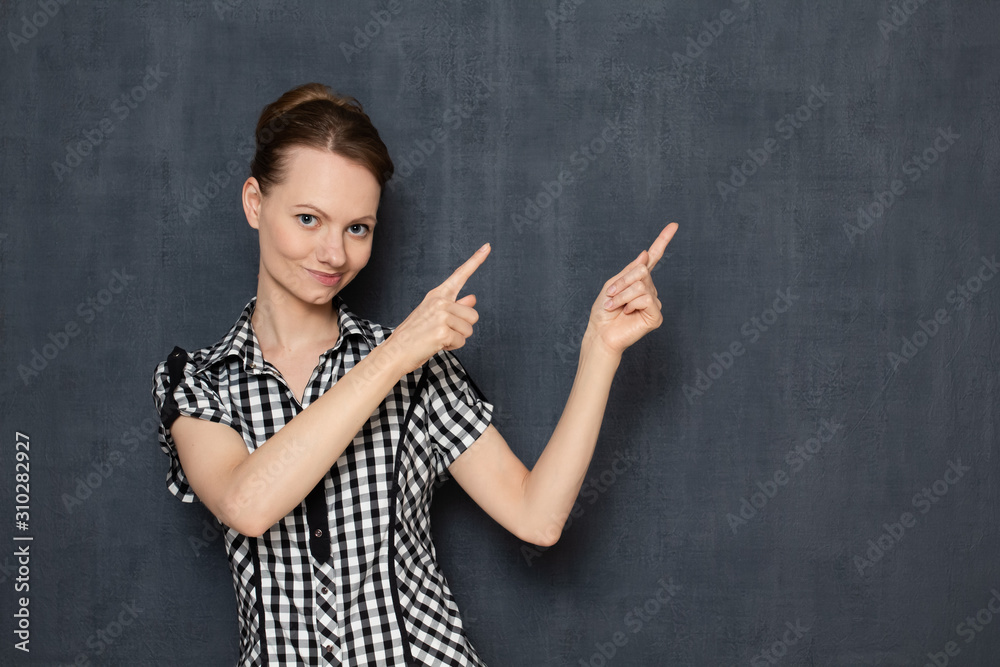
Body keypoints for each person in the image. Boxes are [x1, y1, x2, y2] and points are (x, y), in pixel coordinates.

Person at [150, 81, 678, 666]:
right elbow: (247, 504)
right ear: (255, 203)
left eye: (358, 228)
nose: (333, 254)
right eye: (308, 218)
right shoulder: (200, 381)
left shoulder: (418, 364)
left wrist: (600, 350)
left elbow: (537, 516)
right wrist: (394, 355)